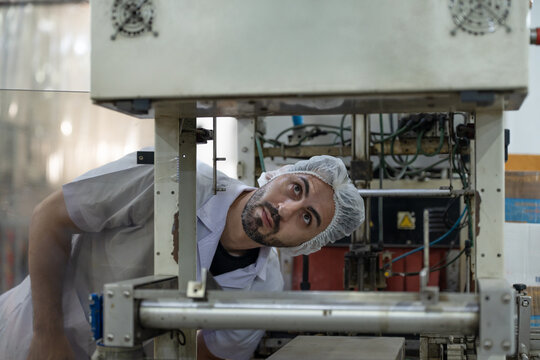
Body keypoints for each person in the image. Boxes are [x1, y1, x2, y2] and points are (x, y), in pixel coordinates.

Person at [0, 149, 364, 360]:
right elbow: (50, 218)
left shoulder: (264, 288)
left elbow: (210, 356)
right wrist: (47, 335)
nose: (285, 208)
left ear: (308, 243)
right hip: (23, 336)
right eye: (295, 188)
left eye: (306, 217)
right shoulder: (172, 178)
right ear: (275, 176)